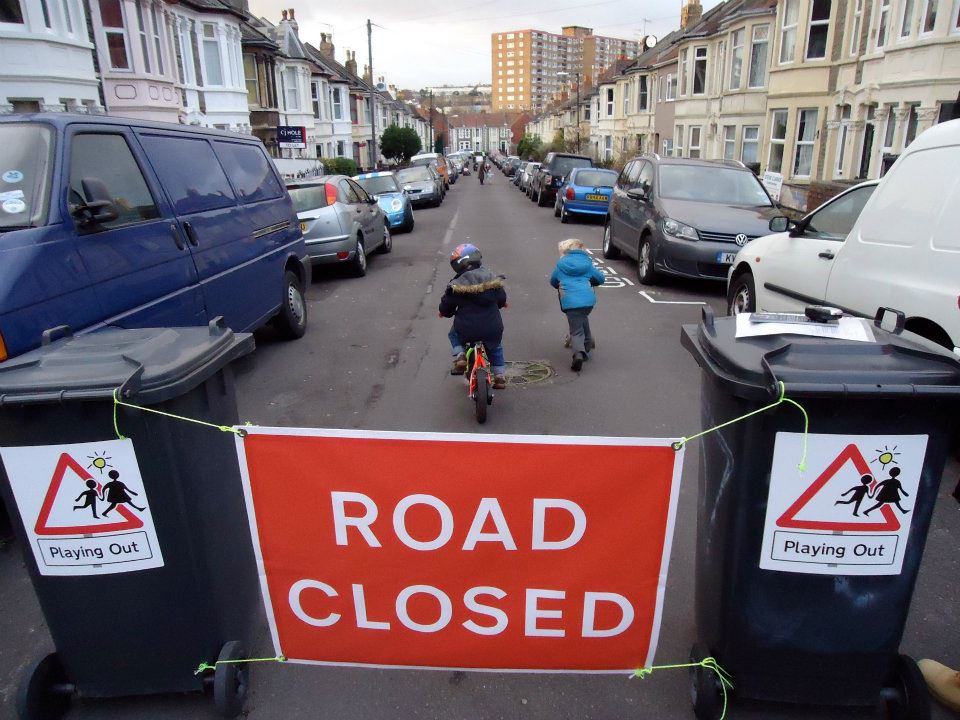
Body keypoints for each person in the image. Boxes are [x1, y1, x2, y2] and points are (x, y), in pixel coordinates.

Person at [439, 243, 508, 389]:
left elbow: (447, 306)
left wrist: (444, 312)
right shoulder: (492, 280)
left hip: (466, 328)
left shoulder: (456, 286)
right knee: (495, 347)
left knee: (454, 334)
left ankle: (460, 355)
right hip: (492, 327)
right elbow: (501, 298)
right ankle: (500, 376)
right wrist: (501, 304)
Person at [549, 238, 605, 372]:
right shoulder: (587, 263)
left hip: (570, 302)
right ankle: (587, 344)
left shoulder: (561, 265)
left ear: (565, 251)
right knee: (582, 318)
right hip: (588, 301)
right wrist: (592, 281)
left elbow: (553, 281)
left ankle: (578, 354)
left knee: (576, 331)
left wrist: (560, 284)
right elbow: (601, 279)